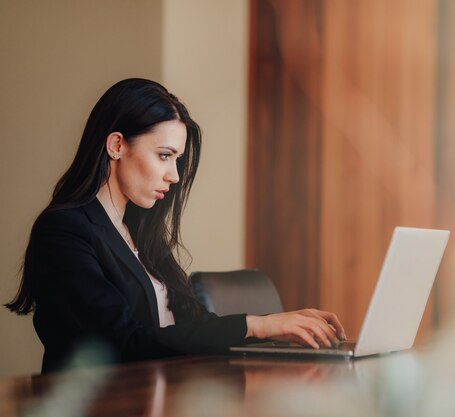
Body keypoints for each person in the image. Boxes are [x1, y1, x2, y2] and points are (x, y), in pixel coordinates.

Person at [5, 78, 345, 373]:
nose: (175, 175)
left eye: (177, 159)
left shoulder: (139, 231)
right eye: (164, 155)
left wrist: (273, 327)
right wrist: (253, 326)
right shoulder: (64, 230)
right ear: (117, 145)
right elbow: (125, 343)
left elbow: (187, 324)